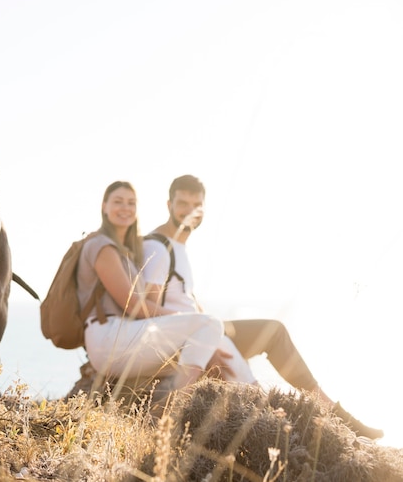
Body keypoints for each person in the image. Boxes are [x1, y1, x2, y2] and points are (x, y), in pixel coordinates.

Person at [141, 174, 384, 439]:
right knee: (263, 362)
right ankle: (330, 420)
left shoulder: (178, 245)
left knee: (273, 333)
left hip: (204, 329)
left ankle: (334, 414)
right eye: (182, 204)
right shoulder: (157, 246)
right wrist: (202, 342)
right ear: (168, 205)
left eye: (196, 205)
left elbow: (180, 297)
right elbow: (150, 307)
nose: (190, 211)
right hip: (192, 338)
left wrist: (204, 319)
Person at [77, 180, 256, 393]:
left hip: (123, 336)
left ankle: (255, 393)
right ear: (104, 206)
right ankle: (175, 405)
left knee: (213, 332)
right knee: (209, 324)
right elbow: (134, 305)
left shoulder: (124, 249)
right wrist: (186, 319)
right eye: (118, 202)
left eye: (131, 203)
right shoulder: (102, 246)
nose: (125, 208)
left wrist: (201, 335)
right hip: (107, 338)